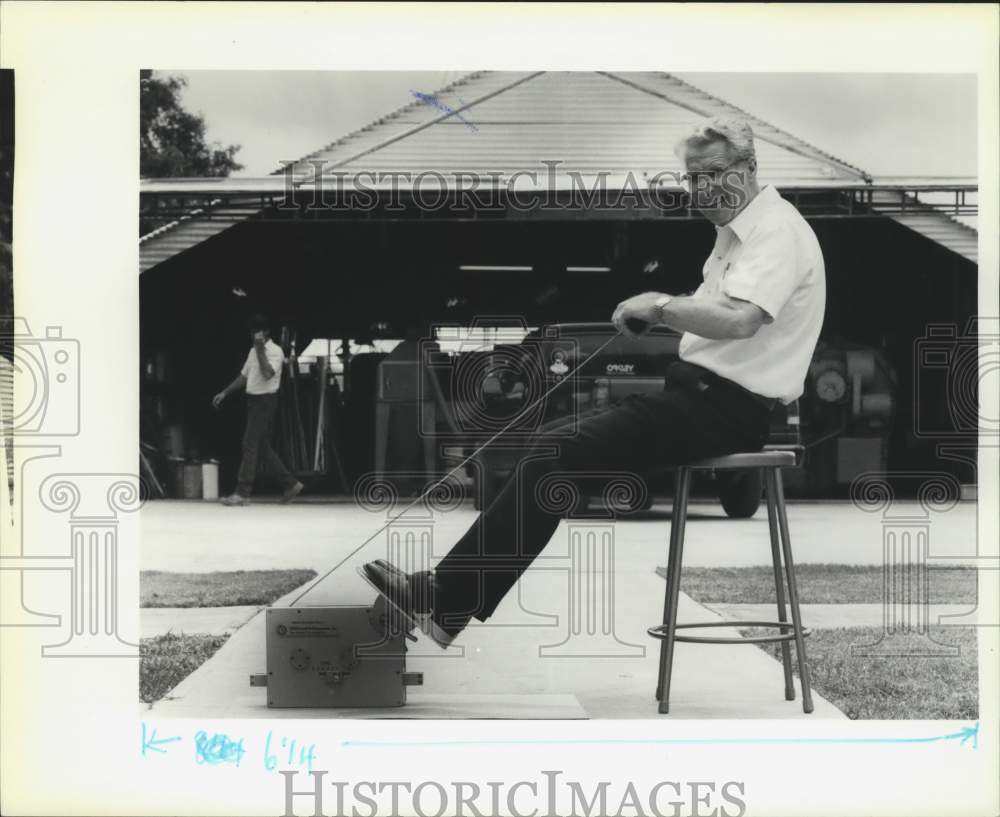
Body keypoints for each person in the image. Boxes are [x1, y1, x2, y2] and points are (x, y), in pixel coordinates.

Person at [363, 117, 826, 647]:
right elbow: (719, 310)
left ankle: (446, 599)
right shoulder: (737, 236)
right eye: (693, 178)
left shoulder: (774, 230)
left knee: (552, 455)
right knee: (547, 451)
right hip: (699, 396)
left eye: (715, 173)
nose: (702, 188)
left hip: (725, 407)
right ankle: (447, 601)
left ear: (749, 169)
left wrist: (659, 305)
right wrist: (666, 310)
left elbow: (742, 318)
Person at [213, 315, 304, 505]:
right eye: (253, 331)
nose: (254, 334)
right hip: (254, 401)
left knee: (249, 443)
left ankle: (242, 493)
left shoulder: (275, 351)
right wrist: (225, 392)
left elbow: (268, 373)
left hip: (265, 401)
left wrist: (261, 349)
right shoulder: (252, 350)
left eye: (258, 330)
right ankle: (290, 484)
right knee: (261, 447)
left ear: (267, 332)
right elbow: (244, 375)